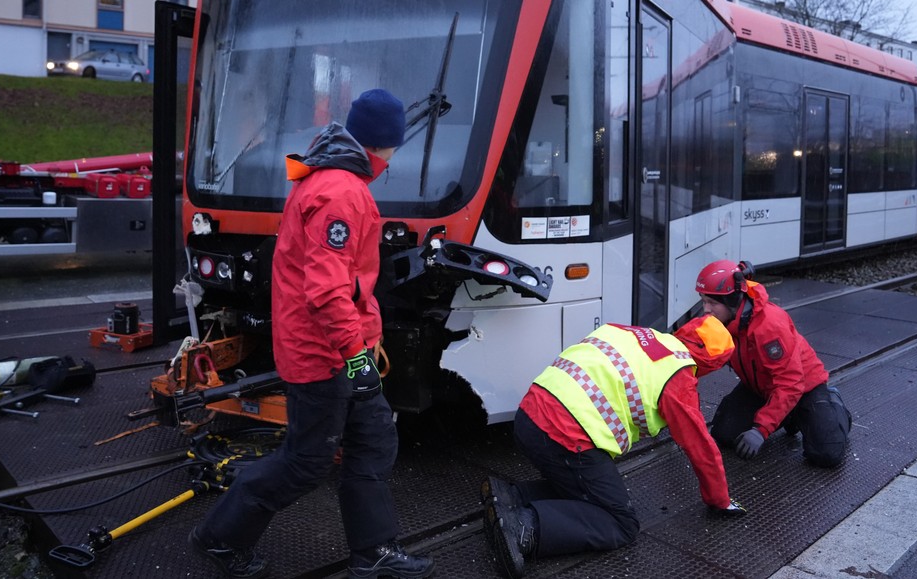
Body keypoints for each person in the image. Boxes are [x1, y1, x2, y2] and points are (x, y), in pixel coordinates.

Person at [190, 89, 434, 579]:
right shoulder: (342, 193)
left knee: (374, 442)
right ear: (385, 144)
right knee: (306, 462)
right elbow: (326, 292)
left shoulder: (327, 179)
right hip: (324, 357)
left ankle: (373, 552)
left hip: (339, 351)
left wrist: (364, 348)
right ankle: (218, 538)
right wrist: (359, 363)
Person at [482, 316, 747, 579]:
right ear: (711, 364)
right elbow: (702, 450)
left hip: (529, 416)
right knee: (620, 523)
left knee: (587, 490)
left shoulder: (637, 334)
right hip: (564, 437)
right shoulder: (678, 380)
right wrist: (720, 501)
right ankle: (524, 528)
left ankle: (512, 497)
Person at [694, 259, 852, 468]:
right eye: (703, 301)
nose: (706, 310)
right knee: (725, 434)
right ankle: (785, 416)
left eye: (712, 303)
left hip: (804, 388)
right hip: (760, 386)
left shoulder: (769, 326)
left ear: (733, 300)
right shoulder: (720, 322)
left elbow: (790, 383)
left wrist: (761, 430)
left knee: (826, 453)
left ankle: (833, 405)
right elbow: (696, 355)